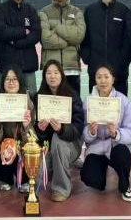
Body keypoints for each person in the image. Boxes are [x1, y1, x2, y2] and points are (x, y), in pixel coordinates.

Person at [80, 64, 131, 202]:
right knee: (91, 179)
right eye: (99, 77)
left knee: (121, 155)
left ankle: (125, 184)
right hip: (97, 147)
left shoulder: (123, 101)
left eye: (106, 77)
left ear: (113, 79)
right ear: (95, 79)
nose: (103, 81)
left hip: (117, 146)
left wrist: (116, 134)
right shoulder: (88, 101)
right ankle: (102, 169)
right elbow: (82, 132)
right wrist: (90, 132)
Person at [34, 60, 84, 202]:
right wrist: (40, 129)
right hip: (47, 147)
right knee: (37, 173)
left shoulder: (72, 95)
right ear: (44, 76)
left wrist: (62, 129)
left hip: (70, 143)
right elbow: (35, 134)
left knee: (58, 140)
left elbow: (79, 127)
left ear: (62, 75)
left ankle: (61, 188)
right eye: (48, 73)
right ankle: (57, 168)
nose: (52, 76)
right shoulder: (38, 98)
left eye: (56, 72)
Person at [80, 0, 131, 95]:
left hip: (119, 73)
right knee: (96, 106)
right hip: (96, 72)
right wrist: (88, 58)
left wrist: (122, 62)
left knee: (119, 105)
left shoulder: (124, 10)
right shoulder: (90, 11)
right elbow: (84, 38)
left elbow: (128, 40)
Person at [0, 65, 35, 191]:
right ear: (2, 81)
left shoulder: (27, 100)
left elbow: (33, 137)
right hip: (2, 144)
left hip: (21, 145)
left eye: (15, 79)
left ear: (20, 81)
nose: (11, 82)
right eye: (7, 79)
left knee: (30, 149)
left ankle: (25, 179)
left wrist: (26, 126)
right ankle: (5, 178)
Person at [39, 0, 86, 96]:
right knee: (50, 105)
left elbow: (79, 36)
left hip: (72, 69)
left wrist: (57, 28)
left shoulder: (77, 12)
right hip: (51, 70)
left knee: (73, 104)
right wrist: (68, 40)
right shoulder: (44, 12)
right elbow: (46, 39)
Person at [0, 0, 41, 94]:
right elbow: (2, 32)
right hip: (7, 65)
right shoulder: (1, 9)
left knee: (31, 97)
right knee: (6, 99)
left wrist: (15, 42)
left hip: (28, 65)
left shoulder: (31, 10)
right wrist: (23, 31)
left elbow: (36, 34)